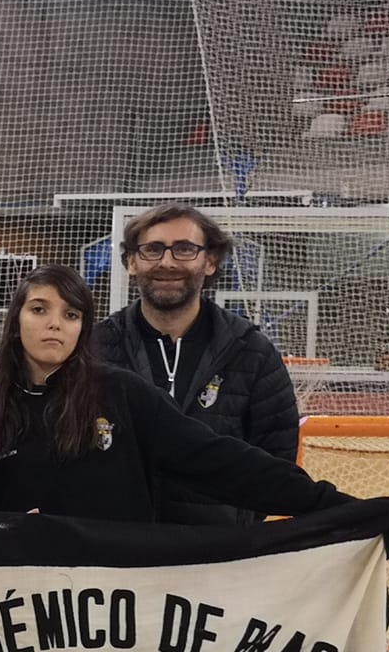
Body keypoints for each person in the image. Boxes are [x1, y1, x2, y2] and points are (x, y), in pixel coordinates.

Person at [0, 265, 345, 522]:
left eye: (70, 314)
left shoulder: (123, 395)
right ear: (15, 323)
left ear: (83, 329)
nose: (55, 324)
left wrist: (327, 504)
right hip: (19, 610)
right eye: (39, 310)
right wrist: (3, 528)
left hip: (122, 606)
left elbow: (219, 461)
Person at [93, 203, 299, 524]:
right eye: (153, 249)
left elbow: (277, 454)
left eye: (185, 249)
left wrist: (234, 519)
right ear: (132, 262)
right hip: (117, 549)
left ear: (211, 261)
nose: (167, 262)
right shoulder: (94, 348)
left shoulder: (252, 352)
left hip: (217, 554)